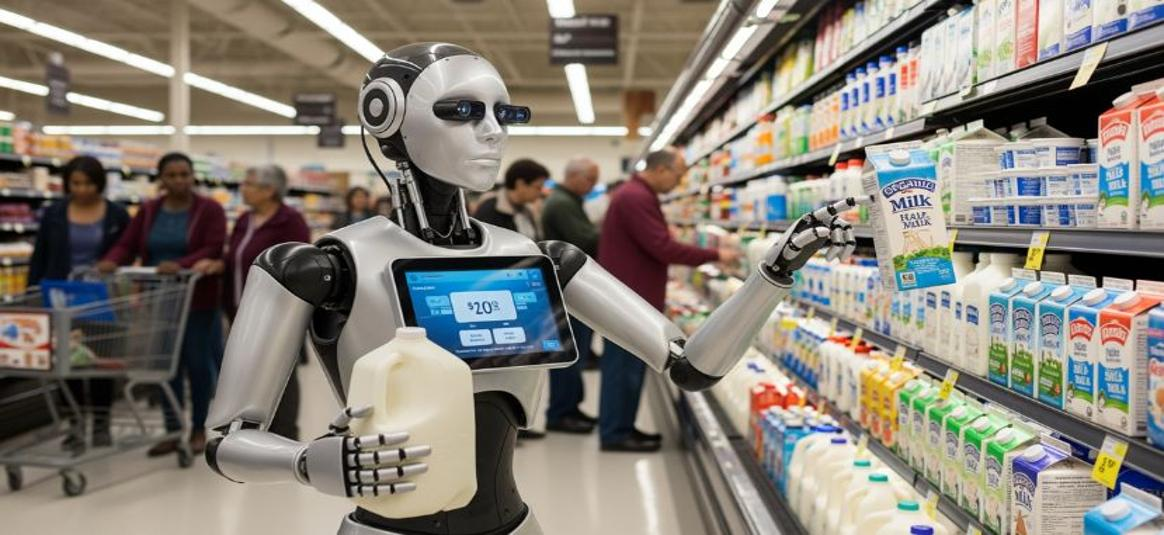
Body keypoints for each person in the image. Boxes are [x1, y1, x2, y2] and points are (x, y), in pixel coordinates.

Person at [596, 148, 740, 453]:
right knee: (623, 369)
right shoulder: (635, 197)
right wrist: (715, 254)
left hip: (630, 295)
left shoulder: (635, 194)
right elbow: (662, 247)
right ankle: (616, 433)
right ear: (661, 169)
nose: (680, 181)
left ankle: (621, 427)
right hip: (630, 300)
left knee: (627, 367)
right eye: (678, 173)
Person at [98, 152, 227, 456]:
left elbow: (213, 247)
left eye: (184, 174)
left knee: (197, 364)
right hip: (159, 299)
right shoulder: (149, 210)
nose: (179, 180)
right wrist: (112, 260)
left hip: (197, 299)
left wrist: (181, 264)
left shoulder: (210, 209)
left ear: (193, 176)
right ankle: (172, 429)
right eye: (172, 175)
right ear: (161, 179)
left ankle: (198, 428)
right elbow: (128, 244)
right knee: (165, 365)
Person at [28, 155, 130, 448]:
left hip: (102, 299)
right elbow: (41, 255)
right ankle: (74, 424)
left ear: (99, 183)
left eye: (88, 183)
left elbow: (128, 249)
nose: (82, 189)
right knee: (67, 363)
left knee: (100, 364)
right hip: (60, 298)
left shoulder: (117, 214)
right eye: (75, 183)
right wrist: (33, 293)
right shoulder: (55, 214)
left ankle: (101, 423)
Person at [207, 165, 310, 440]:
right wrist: (220, 264)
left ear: (269, 190)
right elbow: (236, 256)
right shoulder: (244, 220)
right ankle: (251, 431)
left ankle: (285, 435)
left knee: (279, 373)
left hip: (276, 313)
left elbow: (300, 267)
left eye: (249, 183)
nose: (243, 188)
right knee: (246, 371)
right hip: (239, 310)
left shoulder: (290, 221)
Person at [539, 157, 601, 434]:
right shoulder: (562, 204)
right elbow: (585, 240)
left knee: (576, 354)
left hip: (568, 287)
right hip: (567, 290)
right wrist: (608, 228)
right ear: (574, 176)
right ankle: (561, 413)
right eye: (590, 179)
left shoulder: (567, 201)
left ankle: (569, 408)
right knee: (570, 356)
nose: (593, 185)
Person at [472, 158, 546, 240]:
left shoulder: (527, 210)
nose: (541, 193)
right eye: (538, 187)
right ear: (520, 184)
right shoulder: (490, 210)